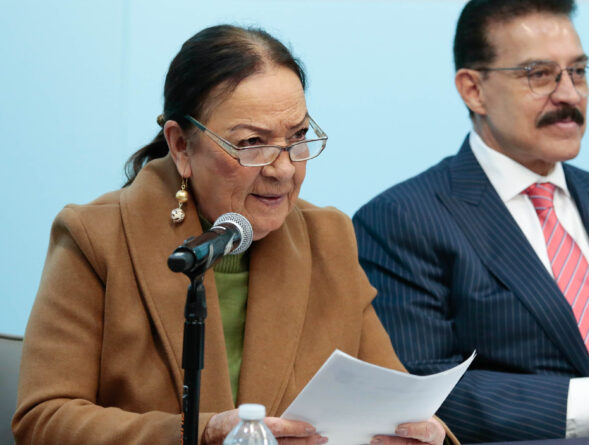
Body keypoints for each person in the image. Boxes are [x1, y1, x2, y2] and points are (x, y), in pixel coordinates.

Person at [13, 25, 453, 445]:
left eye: (298, 137)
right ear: (181, 146)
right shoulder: (96, 237)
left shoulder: (329, 238)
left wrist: (420, 434)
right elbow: (43, 420)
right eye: (252, 144)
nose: (284, 169)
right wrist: (200, 433)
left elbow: (397, 403)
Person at [353, 0, 589, 442]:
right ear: (473, 90)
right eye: (540, 75)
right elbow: (418, 387)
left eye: (578, 72)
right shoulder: (402, 219)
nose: (570, 95)